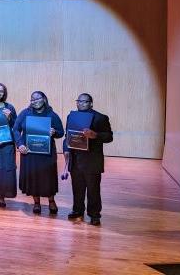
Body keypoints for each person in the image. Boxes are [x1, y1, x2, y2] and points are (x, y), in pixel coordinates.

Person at [63, 93, 113, 226]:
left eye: (84, 102)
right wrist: (66, 150)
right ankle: (78, 210)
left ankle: (94, 214)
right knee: (77, 188)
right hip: (75, 159)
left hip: (92, 160)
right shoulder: (71, 116)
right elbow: (67, 135)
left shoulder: (100, 118)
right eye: (78, 101)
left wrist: (95, 135)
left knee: (93, 189)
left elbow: (109, 137)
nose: (80, 103)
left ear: (91, 103)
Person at [13, 91, 64, 214]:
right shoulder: (25, 113)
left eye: (37, 99)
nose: (35, 101)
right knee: (33, 177)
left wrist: (54, 132)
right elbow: (15, 129)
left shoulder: (52, 115)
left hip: (46, 153)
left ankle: (51, 200)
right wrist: (20, 144)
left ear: (44, 99)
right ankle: (36, 203)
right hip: (29, 152)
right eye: (32, 99)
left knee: (48, 177)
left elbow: (61, 132)